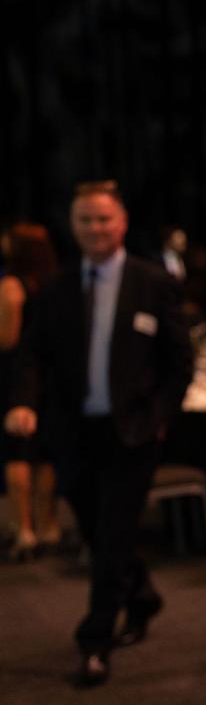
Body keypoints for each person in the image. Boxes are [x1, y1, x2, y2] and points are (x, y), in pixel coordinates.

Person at [5, 181, 192, 687]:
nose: (95, 228)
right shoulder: (55, 290)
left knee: (111, 538)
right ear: (73, 225)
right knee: (97, 531)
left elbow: (179, 363)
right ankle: (143, 596)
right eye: (86, 219)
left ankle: (94, 642)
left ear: (123, 222)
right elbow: (31, 357)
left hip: (131, 436)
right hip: (72, 436)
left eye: (104, 219)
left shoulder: (152, 283)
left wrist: (158, 418)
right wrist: (23, 402)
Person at [0, 222, 61, 560]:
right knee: (44, 453)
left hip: (16, 378)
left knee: (17, 452)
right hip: (49, 374)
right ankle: (48, 523)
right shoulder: (53, 281)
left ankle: (23, 527)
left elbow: (7, 339)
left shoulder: (11, 284)